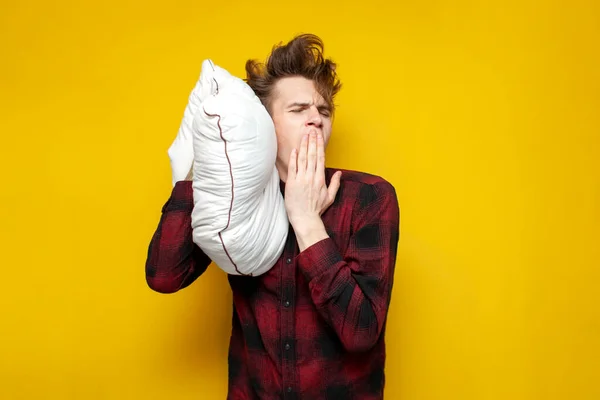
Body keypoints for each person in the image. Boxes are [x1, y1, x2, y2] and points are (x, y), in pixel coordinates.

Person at [146, 33, 400, 400]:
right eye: (299, 110)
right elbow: (164, 276)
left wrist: (307, 222)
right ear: (264, 124)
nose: (316, 119)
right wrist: (196, 175)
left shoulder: (370, 197)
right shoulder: (234, 199)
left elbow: (360, 332)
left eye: (324, 111)